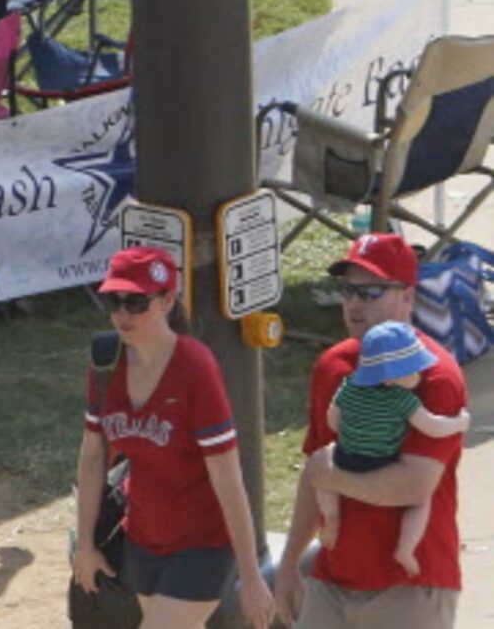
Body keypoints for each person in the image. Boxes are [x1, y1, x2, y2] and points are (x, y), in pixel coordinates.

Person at [71, 244, 275, 627]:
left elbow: (228, 478)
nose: (122, 314)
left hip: (203, 546)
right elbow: (93, 456)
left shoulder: (194, 368)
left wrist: (250, 577)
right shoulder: (105, 361)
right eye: (114, 301)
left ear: (166, 301)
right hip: (142, 540)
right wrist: (84, 544)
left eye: (136, 302)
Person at [275, 232, 467, 627]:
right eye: (348, 291)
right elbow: (314, 479)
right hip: (332, 580)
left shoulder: (435, 377)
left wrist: (328, 473)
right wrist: (290, 564)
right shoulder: (334, 366)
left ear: (407, 297)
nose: (355, 304)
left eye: (372, 291)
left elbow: (413, 486)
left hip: (410, 586)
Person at [306, 319, 468, 576]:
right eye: (413, 370)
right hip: (382, 461)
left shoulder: (349, 387)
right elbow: (432, 427)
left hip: (347, 455)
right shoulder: (403, 400)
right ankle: (405, 548)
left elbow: (332, 419)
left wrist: (349, 434)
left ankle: (332, 515)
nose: (419, 374)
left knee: (325, 479)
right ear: (391, 377)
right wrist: (459, 423)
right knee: (422, 501)